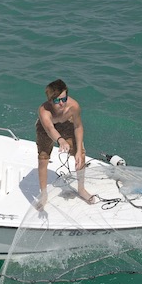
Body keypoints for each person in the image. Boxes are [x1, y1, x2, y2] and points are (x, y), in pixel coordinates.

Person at [35, 79, 95, 208]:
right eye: (57, 100)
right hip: (46, 128)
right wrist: (60, 140)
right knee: (43, 159)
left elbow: (78, 127)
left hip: (67, 124)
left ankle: (81, 189)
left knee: (81, 155)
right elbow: (50, 129)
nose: (62, 103)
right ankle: (44, 194)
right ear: (50, 100)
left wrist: (78, 150)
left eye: (64, 99)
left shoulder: (73, 106)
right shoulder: (43, 110)